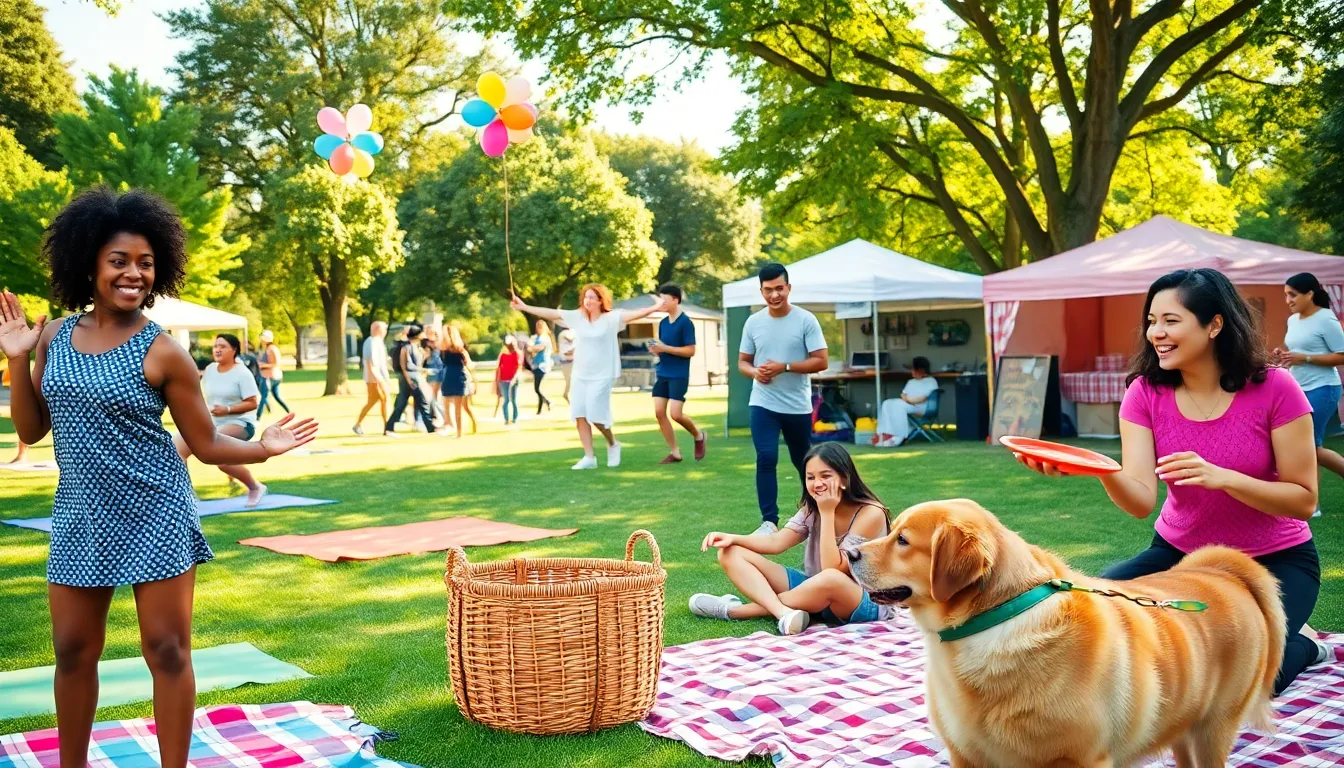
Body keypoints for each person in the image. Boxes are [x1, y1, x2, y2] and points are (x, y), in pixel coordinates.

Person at [0, 187, 316, 768]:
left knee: (167, 651)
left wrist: (263, 451)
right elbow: (32, 428)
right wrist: (18, 359)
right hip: (80, 515)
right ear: (89, 263)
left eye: (146, 263)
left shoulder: (164, 351)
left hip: (156, 512)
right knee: (72, 651)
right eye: (119, 260)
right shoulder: (51, 338)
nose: (134, 274)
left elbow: (203, 442)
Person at [1015, 268, 1330, 694]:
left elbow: (1303, 500)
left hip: (1275, 561)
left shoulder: (1276, 387)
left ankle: (1306, 645)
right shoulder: (1144, 393)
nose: (1155, 333)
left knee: (1237, 681)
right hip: (1180, 555)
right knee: (1094, 614)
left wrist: (1223, 478)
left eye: (1170, 320)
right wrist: (1097, 468)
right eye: (1151, 321)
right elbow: (1142, 500)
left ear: (1215, 324)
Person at [690, 443, 893, 636]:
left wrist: (828, 512)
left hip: (864, 600)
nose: (818, 484)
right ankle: (783, 613)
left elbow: (833, 568)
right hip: (816, 587)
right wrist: (732, 538)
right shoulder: (812, 509)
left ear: (844, 478)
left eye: (826, 476)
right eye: (811, 477)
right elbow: (776, 542)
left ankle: (735, 611)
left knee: (830, 578)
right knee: (730, 551)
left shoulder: (870, 513)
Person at [511, 286, 670, 469]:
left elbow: (636, 313)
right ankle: (589, 457)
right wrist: (524, 307)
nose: (588, 301)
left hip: (603, 374)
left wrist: (655, 307)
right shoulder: (578, 317)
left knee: (595, 415)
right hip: (581, 373)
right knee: (579, 413)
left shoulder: (611, 318)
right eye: (586, 297)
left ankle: (612, 443)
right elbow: (552, 313)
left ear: (601, 300)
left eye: (592, 297)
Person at [739, 263, 829, 535]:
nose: (775, 295)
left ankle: (815, 513)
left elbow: (821, 361)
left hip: (796, 405)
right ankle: (769, 522)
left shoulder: (805, 320)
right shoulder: (753, 322)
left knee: (804, 461)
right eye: (768, 290)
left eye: (779, 288)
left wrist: (785, 366)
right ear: (761, 291)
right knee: (766, 457)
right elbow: (743, 362)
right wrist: (755, 372)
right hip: (763, 402)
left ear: (788, 288)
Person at [174, 334, 269, 507]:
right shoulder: (210, 369)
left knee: (216, 454)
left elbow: (253, 402)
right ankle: (187, 495)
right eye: (215, 346)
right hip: (212, 423)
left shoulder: (242, 373)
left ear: (234, 350)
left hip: (240, 423)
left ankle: (255, 487)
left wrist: (227, 409)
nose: (217, 349)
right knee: (177, 446)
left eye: (222, 346)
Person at [1273, 272, 1344, 497]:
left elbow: (1342, 355)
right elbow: (1293, 350)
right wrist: (1282, 355)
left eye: (1292, 295)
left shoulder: (1326, 318)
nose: (1288, 301)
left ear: (1310, 294)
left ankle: (1310, 503)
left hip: (1324, 389)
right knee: (1310, 448)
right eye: (1286, 295)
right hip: (1299, 390)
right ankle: (1311, 503)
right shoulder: (1292, 320)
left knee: (1309, 448)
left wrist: (1304, 358)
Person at [648, 283, 707, 463]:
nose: (661, 304)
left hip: (679, 374)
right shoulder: (663, 323)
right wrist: (657, 350)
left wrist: (665, 347)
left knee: (676, 414)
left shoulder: (685, 323)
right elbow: (666, 348)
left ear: (675, 300)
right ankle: (675, 453)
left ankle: (698, 435)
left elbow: (690, 351)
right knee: (659, 412)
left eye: (664, 300)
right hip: (663, 372)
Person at [384, 324, 436, 436]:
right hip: (411, 378)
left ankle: (389, 426)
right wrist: (410, 379)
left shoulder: (416, 347)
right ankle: (430, 427)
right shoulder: (406, 347)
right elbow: (405, 365)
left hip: (413, 377)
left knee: (402, 404)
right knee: (422, 401)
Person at [875, 356, 939, 447]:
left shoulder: (931, 382)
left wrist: (908, 400)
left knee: (900, 405)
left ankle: (899, 436)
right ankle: (885, 433)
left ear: (921, 370)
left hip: (922, 408)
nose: (911, 372)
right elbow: (903, 394)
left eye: (913, 369)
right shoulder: (911, 382)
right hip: (909, 405)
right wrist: (906, 399)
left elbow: (921, 399)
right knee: (887, 403)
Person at [439, 324, 477, 438]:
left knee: (459, 407)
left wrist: (473, 380)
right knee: (447, 404)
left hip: (458, 377)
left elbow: (469, 364)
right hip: (449, 377)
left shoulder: (460, 350)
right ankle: (451, 426)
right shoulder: (444, 350)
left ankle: (460, 432)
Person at [353, 321, 390, 436]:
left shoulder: (379, 342)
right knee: (382, 400)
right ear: (378, 329)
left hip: (380, 377)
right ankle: (387, 427)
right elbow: (369, 362)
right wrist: (376, 378)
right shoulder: (370, 342)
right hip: (374, 378)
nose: (385, 332)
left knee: (376, 401)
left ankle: (359, 424)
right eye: (384, 329)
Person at [255, 330, 290, 417]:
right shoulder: (271, 348)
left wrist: (263, 365)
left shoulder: (271, 349)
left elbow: (275, 363)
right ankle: (289, 412)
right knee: (277, 396)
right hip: (275, 376)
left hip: (269, 376)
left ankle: (257, 417)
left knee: (263, 397)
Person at [423, 325, 448, 429]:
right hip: (430, 371)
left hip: (437, 370)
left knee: (434, 397)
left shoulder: (439, 343)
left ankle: (444, 418)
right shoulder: (425, 343)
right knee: (432, 397)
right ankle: (439, 417)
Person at [527, 319, 554, 415]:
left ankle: (547, 402)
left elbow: (540, 347)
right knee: (538, 388)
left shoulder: (543, 338)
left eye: (539, 327)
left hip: (542, 365)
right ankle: (539, 410)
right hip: (538, 364)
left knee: (537, 389)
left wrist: (531, 348)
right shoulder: (540, 337)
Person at [495, 335, 522, 426]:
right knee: (506, 400)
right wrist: (497, 381)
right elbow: (499, 367)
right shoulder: (502, 355)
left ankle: (514, 418)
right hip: (503, 380)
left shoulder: (516, 354)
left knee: (513, 400)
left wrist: (514, 378)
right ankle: (506, 419)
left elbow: (518, 367)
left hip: (513, 380)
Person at [557, 328, 576, 403]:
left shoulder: (574, 332)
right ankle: (566, 394)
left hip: (574, 361)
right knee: (569, 380)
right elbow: (570, 339)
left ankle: (570, 396)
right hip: (566, 361)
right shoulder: (563, 334)